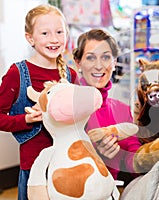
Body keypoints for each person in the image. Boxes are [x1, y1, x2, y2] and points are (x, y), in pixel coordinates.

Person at [0, 4, 78, 200]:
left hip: (67, 166)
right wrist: (26, 119)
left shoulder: (72, 76)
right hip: (34, 172)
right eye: (45, 33)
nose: (54, 39)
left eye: (59, 32)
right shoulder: (16, 74)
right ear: (30, 38)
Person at [72, 28, 141, 186]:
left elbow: (134, 160)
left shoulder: (122, 110)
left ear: (115, 61)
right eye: (90, 58)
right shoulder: (66, 107)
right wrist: (97, 156)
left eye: (106, 57)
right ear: (78, 62)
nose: (99, 66)